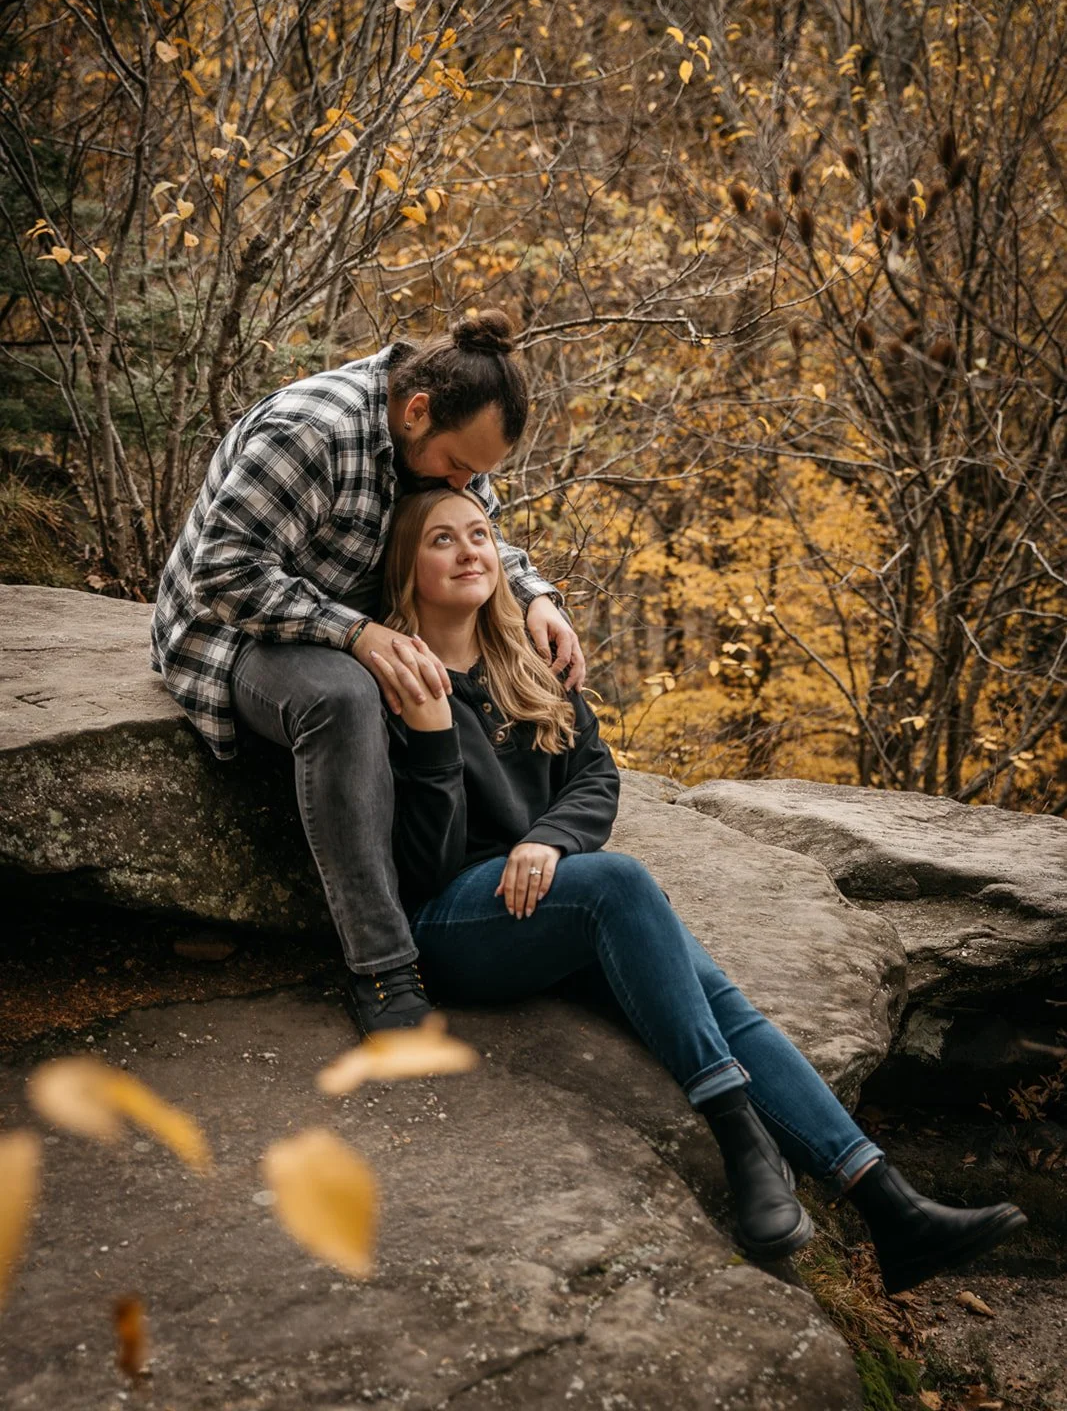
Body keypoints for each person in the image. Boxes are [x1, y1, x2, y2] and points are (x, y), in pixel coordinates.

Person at [372, 485, 1028, 1289]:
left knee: (711, 991)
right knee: (619, 884)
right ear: (407, 566)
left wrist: (547, 839)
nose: (471, 550)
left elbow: (594, 778)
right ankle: (740, 1135)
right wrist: (435, 743)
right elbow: (422, 867)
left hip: (555, 904)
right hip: (458, 925)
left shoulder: (529, 662)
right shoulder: (396, 683)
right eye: (443, 540)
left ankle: (889, 1204)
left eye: (479, 533)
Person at [151, 309, 583, 1035]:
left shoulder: (435, 437)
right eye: (458, 465)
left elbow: (474, 526)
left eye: (479, 473)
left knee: (513, 656)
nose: (468, 483)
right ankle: (383, 967)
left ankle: (491, 892)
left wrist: (536, 595)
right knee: (347, 699)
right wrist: (354, 635)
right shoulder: (311, 431)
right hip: (236, 632)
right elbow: (220, 575)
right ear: (415, 412)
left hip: (362, 619)